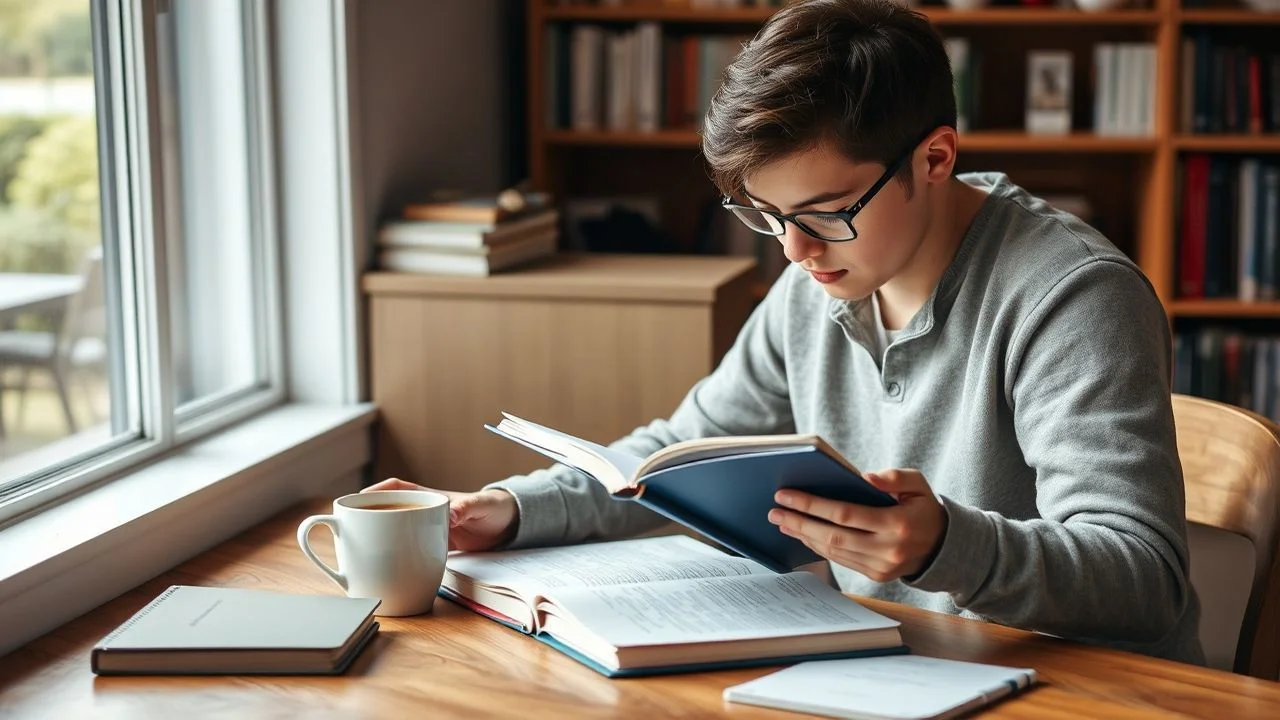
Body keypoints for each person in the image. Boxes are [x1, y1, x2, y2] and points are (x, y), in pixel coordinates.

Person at [369, 0, 1204, 666]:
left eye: (825, 213)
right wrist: (509, 510)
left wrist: (947, 544)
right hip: (898, 667)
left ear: (936, 158)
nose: (796, 251)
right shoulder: (825, 274)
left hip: (1082, 686)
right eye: (765, 216)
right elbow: (681, 450)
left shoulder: (1073, 298)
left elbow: (1144, 580)